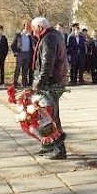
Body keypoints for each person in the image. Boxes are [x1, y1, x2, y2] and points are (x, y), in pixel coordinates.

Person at [31, 16, 69, 160]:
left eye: (34, 30)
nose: (33, 33)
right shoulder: (54, 35)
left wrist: (38, 84)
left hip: (51, 83)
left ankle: (59, 150)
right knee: (48, 117)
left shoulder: (48, 39)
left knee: (51, 118)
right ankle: (51, 147)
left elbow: (47, 64)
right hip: (55, 81)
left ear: (40, 28)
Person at [11, 22, 35, 87]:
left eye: (28, 28)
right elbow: (12, 45)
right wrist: (15, 52)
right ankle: (15, 82)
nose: (27, 29)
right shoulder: (18, 35)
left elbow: (33, 45)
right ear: (23, 27)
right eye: (26, 27)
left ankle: (24, 83)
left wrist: (30, 36)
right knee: (17, 69)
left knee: (25, 70)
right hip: (20, 54)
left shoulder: (30, 36)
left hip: (27, 54)